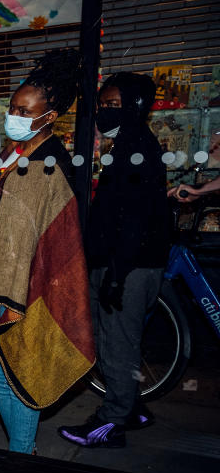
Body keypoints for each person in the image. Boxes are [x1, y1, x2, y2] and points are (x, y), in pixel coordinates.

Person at [0, 49, 95, 454]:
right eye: (13, 107)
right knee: (0, 371)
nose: (16, 116)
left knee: (20, 370)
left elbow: (38, 234)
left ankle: (23, 453)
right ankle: (21, 450)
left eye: (27, 111)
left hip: (31, 285)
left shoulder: (49, 163)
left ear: (50, 116)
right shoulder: (13, 154)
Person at [59, 73, 168, 448]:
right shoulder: (129, 144)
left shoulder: (136, 147)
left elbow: (134, 220)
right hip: (127, 264)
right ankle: (133, 408)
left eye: (112, 105)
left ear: (135, 106)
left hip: (128, 267)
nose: (103, 111)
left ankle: (111, 423)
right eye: (102, 104)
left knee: (116, 344)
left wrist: (116, 275)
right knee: (118, 342)